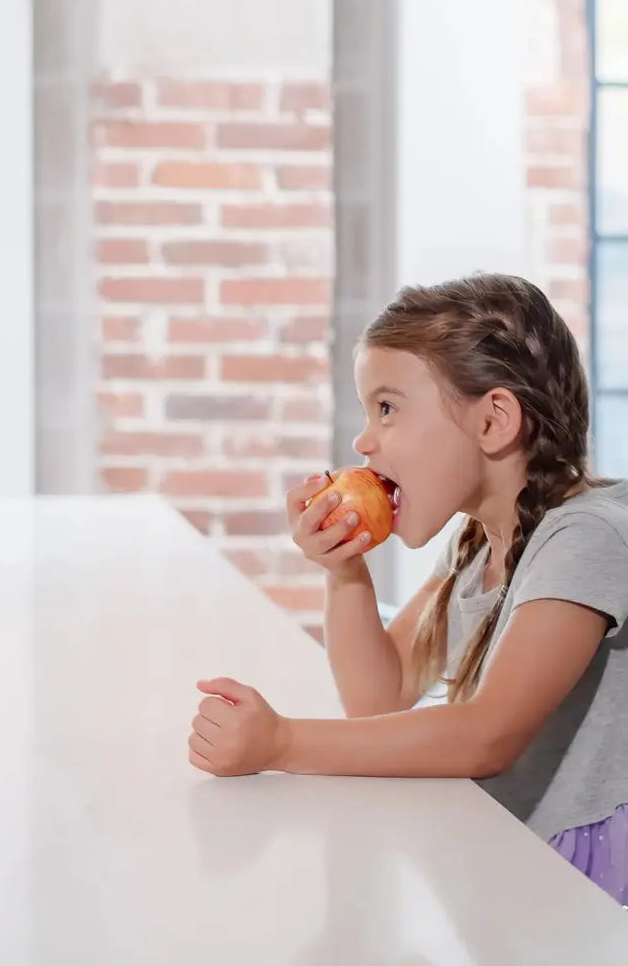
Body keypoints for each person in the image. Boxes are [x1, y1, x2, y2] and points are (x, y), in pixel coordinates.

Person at [188, 273, 628, 905]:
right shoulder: (478, 545)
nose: (363, 443)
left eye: (388, 408)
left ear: (494, 419)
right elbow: (381, 698)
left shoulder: (585, 536)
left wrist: (283, 741)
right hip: (511, 858)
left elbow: (486, 735)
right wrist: (344, 572)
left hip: (580, 878)